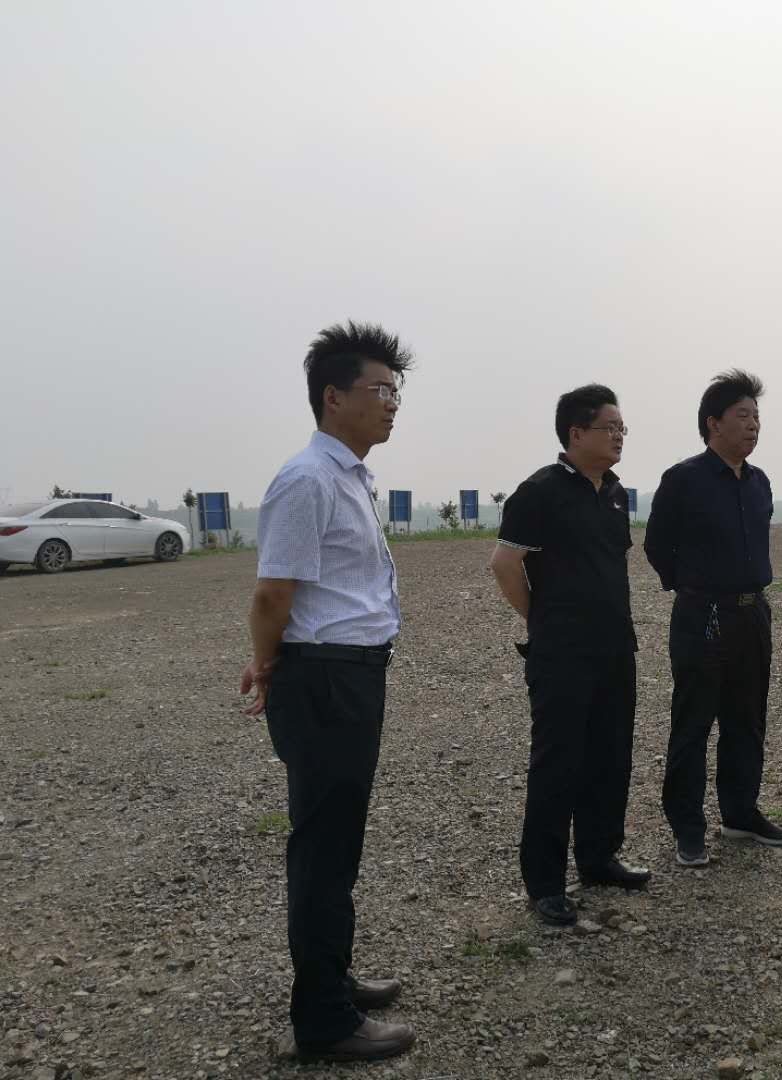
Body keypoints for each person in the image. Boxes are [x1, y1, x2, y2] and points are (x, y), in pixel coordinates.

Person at [240, 321, 416, 1061]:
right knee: (322, 848)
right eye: (379, 389)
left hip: (349, 673)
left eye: (396, 391)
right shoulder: (308, 479)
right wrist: (266, 662)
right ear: (332, 396)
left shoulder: (350, 475)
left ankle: (333, 978)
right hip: (324, 679)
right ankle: (322, 1022)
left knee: (339, 842)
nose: (392, 403)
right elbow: (272, 593)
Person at [490, 384, 649, 927]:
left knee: (611, 756)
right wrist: (540, 619)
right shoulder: (539, 492)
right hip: (562, 653)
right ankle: (545, 883)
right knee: (558, 764)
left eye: (623, 428)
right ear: (576, 433)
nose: (619, 436)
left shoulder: (616, 493)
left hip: (615, 647)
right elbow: (504, 564)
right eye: (610, 427)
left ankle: (599, 857)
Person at [644, 369, 782, 867]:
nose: (753, 425)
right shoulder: (683, 478)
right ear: (713, 423)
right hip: (702, 614)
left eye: (757, 417)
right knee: (693, 723)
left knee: (747, 719)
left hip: (753, 612)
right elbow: (657, 545)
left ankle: (740, 812)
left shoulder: (759, 481)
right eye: (742, 416)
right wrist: (690, 586)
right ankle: (688, 828)